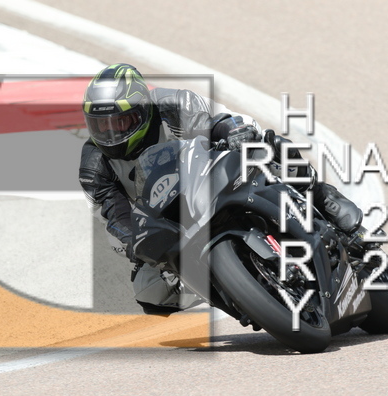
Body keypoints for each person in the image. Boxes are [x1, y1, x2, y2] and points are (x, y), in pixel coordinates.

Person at [78, 63, 362, 315]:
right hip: (167, 214)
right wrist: (136, 245)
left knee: (269, 146)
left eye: (120, 121)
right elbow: (115, 218)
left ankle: (323, 198)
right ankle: (239, 295)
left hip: (212, 169)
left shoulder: (172, 105)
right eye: (100, 125)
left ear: (142, 110)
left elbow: (214, 124)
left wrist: (233, 134)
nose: (111, 133)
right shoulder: (94, 166)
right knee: (150, 291)